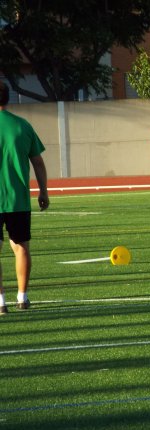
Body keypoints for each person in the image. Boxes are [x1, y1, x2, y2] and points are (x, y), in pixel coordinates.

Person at [0, 81, 49, 315]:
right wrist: (43, 191)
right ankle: (22, 297)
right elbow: (38, 162)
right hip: (17, 199)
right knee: (21, 248)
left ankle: (0, 302)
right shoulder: (22, 126)